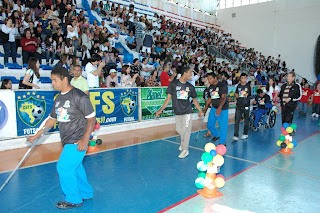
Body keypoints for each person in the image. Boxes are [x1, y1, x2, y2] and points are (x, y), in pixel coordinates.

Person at [27, 67, 95, 209]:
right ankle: (86, 192)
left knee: (63, 167)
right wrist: (37, 135)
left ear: (64, 78)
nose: (53, 83)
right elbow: (52, 119)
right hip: (67, 140)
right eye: (52, 80)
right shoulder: (59, 99)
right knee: (76, 168)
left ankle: (73, 199)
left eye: (55, 80)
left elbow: (91, 119)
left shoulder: (79, 96)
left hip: (77, 140)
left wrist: (85, 139)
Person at [156, 67, 204, 158]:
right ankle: (183, 144)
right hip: (178, 112)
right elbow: (168, 99)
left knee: (186, 131)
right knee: (179, 130)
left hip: (187, 112)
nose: (191, 75)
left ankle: (185, 149)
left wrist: (201, 111)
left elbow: (194, 100)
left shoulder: (190, 87)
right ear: (184, 73)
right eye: (190, 73)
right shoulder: (173, 84)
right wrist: (160, 110)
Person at [204, 73, 228, 145]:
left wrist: (219, 108)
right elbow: (209, 99)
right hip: (214, 108)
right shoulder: (210, 87)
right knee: (209, 125)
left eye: (210, 79)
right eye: (208, 79)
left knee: (222, 126)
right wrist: (204, 110)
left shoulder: (222, 85)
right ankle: (217, 135)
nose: (209, 80)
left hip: (222, 109)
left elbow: (224, 98)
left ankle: (222, 142)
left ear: (215, 78)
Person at [233, 73, 251, 141]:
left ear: (246, 78)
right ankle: (235, 135)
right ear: (240, 79)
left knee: (246, 120)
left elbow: (249, 94)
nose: (243, 79)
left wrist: (247, 94)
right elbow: (236, 93)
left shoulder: (248, 86)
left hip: (246, 105)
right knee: (237, 120)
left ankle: (245, 134)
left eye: (244, 78)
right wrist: (236, 94)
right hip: (239, 105)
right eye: (242, 78)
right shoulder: (238, 86)